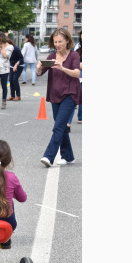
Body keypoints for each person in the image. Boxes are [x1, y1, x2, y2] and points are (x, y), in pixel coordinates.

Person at [36, 28, 81, 167]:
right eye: (55, 42)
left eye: (60, 41)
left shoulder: (74, 55)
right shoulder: (51, 57)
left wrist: (62, 68)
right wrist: (38, 67)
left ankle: (49, 156)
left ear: (67, 40)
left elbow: (76, 73)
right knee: (60, 127)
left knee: (58, 126)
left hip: (70, 94)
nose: (57, 44)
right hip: (54, 95)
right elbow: (39, 73)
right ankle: (68, 156)